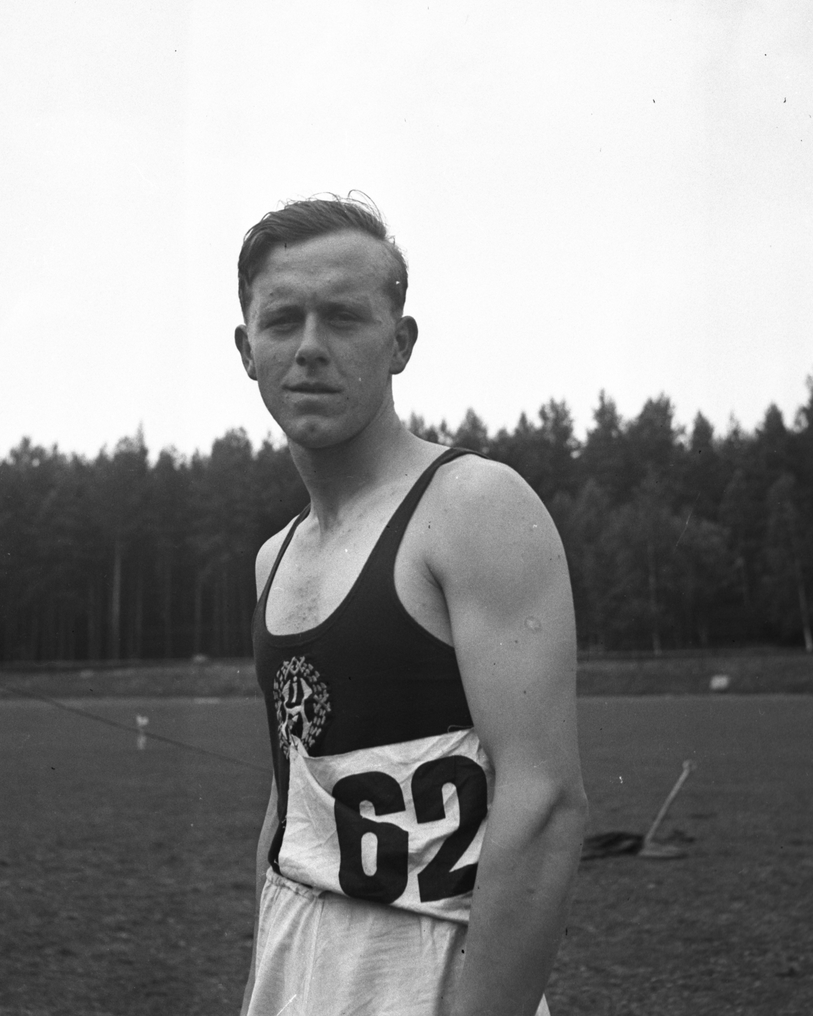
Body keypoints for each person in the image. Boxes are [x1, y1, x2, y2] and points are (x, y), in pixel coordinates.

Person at [234, 196, 587, 1016]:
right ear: (247, 350)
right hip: (298, 965)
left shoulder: (471, 506)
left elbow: (542, 801)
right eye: (282, 320)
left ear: (399, 343)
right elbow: (290, 804)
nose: (309, 346)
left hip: (432, 977)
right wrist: (262, 985)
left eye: (343, 317)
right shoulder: (273, 559)